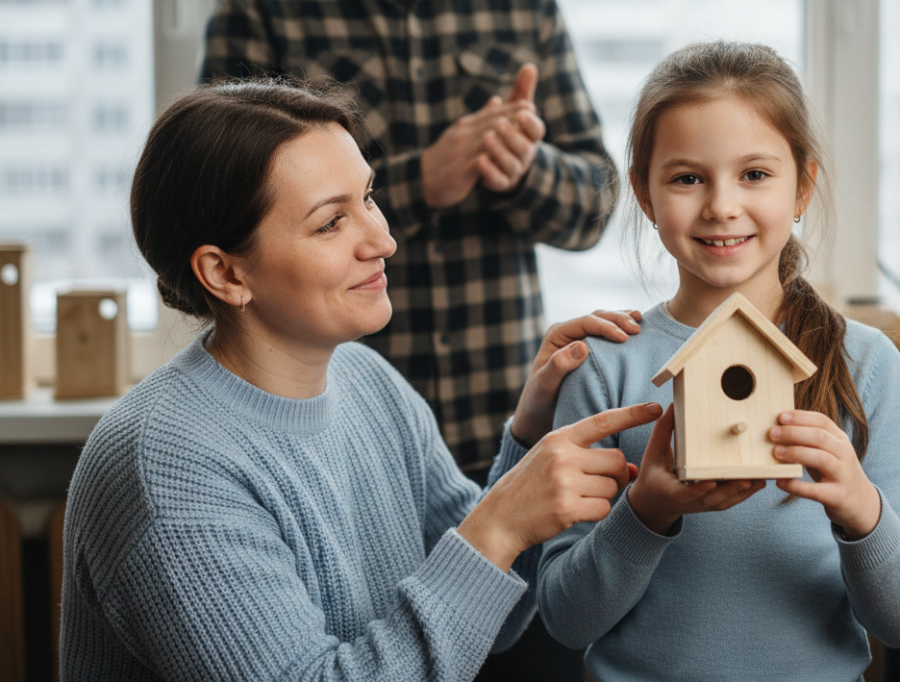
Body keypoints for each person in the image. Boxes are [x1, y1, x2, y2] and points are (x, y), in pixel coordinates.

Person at [59, 79, 656, 682]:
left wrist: (529, 432)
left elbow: (488, 622)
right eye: (330, 224)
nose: (384, 240)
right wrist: (498, 525)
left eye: (368, 198)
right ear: (224, 273)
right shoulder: (164, 468)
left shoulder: (368, 381)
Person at [537, 41, 900, 681]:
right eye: (687, 177)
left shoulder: (866, 365)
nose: (722, 205)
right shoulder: (604, 367)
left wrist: (861, 510)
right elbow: (565, 618)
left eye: (755, 174)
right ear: (644, 192)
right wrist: (646, 511)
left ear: (803, 187)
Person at [199, 0, 616, 484]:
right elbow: (226, 212)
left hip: (503, 421)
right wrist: (420, 183)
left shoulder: (523, 0)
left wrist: (526, 172)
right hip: (332, 430)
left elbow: (596, 208)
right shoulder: (259, 5)